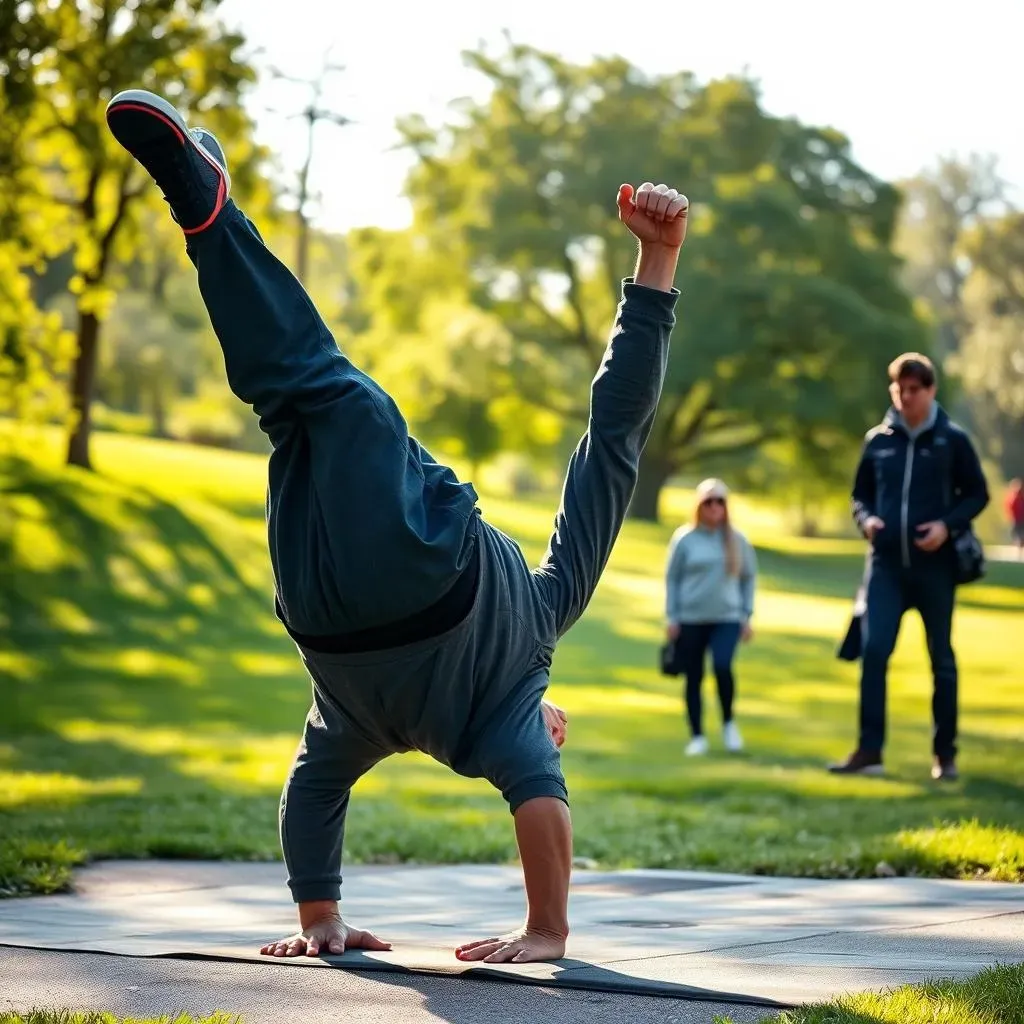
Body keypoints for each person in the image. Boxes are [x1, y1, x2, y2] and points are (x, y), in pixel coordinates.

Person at [105, 88, 688, 965]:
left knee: (336, 396)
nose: (553, 729)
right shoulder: (400, 724)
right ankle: (209, 212)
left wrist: (659, 268)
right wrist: (319, 918)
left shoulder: (531, 649)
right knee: (288, 401)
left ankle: (209, 206)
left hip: (423, 568)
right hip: (319, 608)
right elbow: (311, 791)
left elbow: (614, 443)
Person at [829, 353, 989, 781]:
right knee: (874, 652)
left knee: (941, 660)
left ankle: (945, 755)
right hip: (885, 567)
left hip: (935, 569)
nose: (905, 396)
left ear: (931, 391)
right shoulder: (877, 440)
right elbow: (858, 495)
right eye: (899, 388)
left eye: (914, 389)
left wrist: (947, 525)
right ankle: (869, 751)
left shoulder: (952, 440)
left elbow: (977, 494)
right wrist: (867, 521)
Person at [665, 479, 756, 756]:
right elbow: (673, 579)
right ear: (699, 505)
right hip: (691, 618)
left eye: (720, 501)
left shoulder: (737, 540)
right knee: (694, 676)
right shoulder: (685, 538)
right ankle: (697, 736)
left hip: (727, 618)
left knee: (722, 666)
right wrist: (672, 616)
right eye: (709, 502)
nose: (715, 507)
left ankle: (728, 724)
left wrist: (746, 615)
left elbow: (748, 578)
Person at [1005, 479, 1024, 560]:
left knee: (1019, 535)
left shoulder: (1017, 499)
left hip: (1019, 520)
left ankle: (1019, 550)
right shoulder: (1015, 499)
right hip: (1017, 520)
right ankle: (1019, 550)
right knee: (1018, 535)